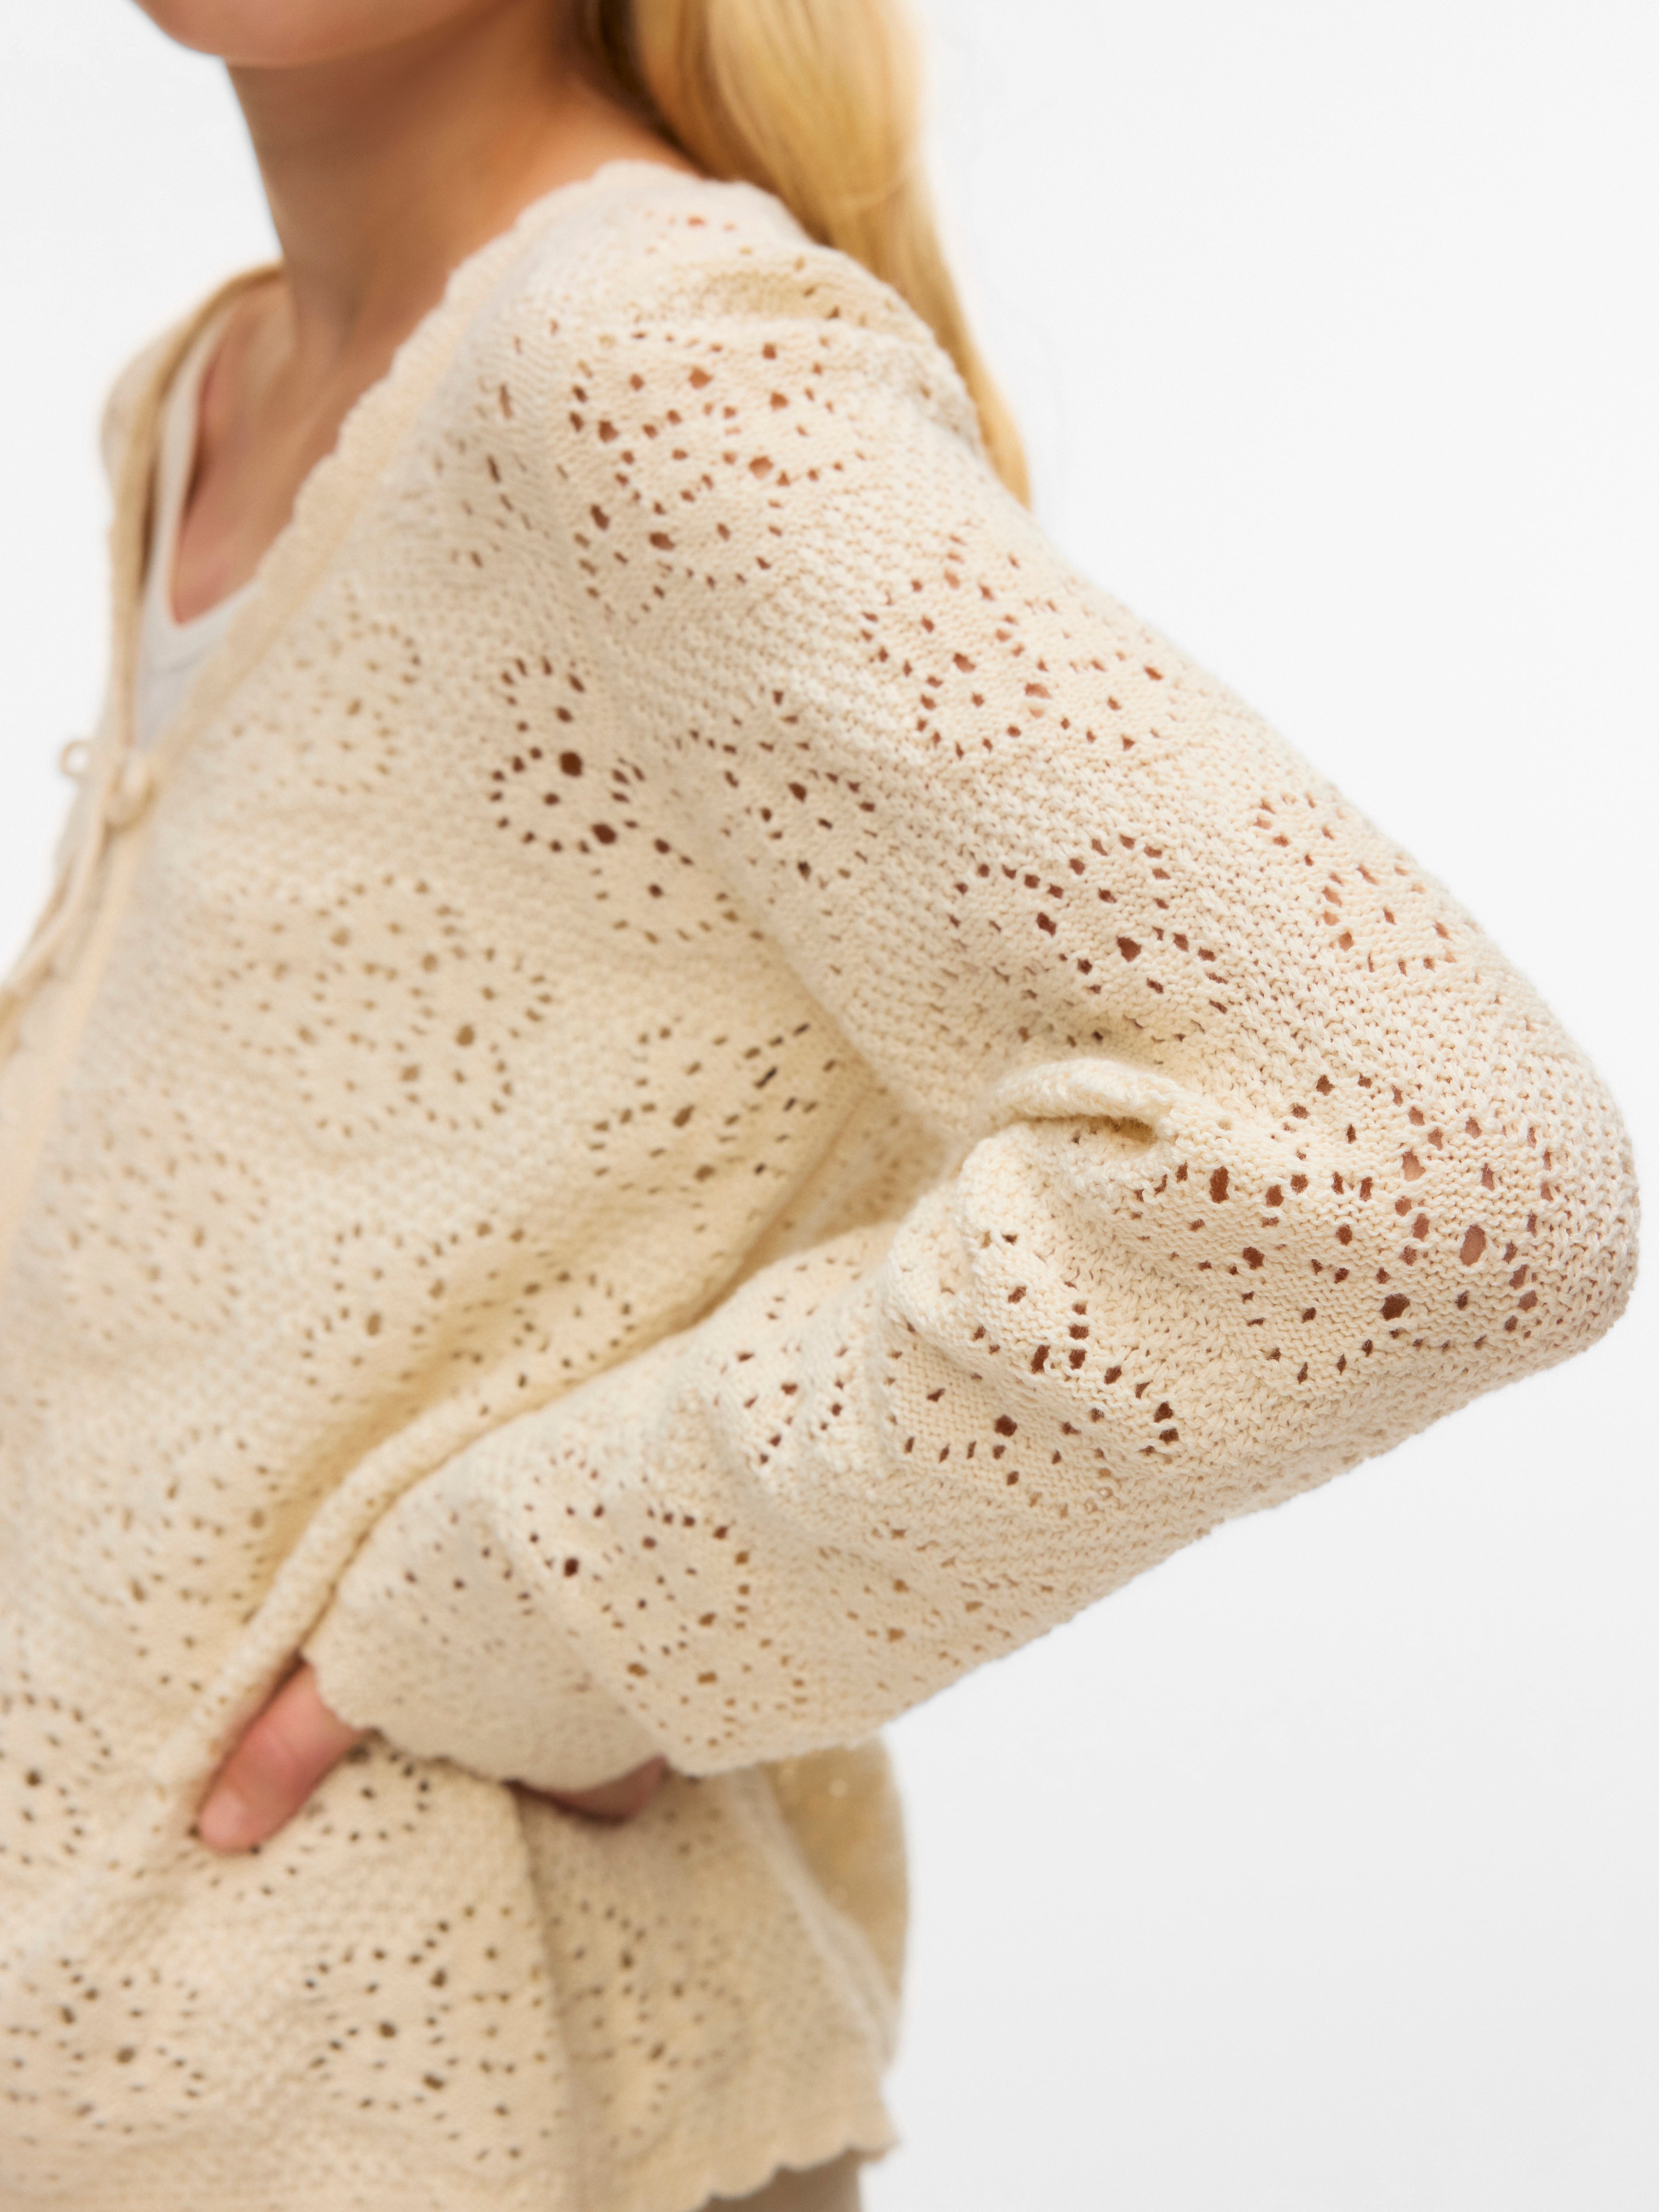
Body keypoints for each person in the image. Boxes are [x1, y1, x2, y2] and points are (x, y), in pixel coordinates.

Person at [0, 0, 1637, 2207]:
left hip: (414, 2115)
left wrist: (551, 1610)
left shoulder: (639, 361)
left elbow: (1417, 1160)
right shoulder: (210, 389)